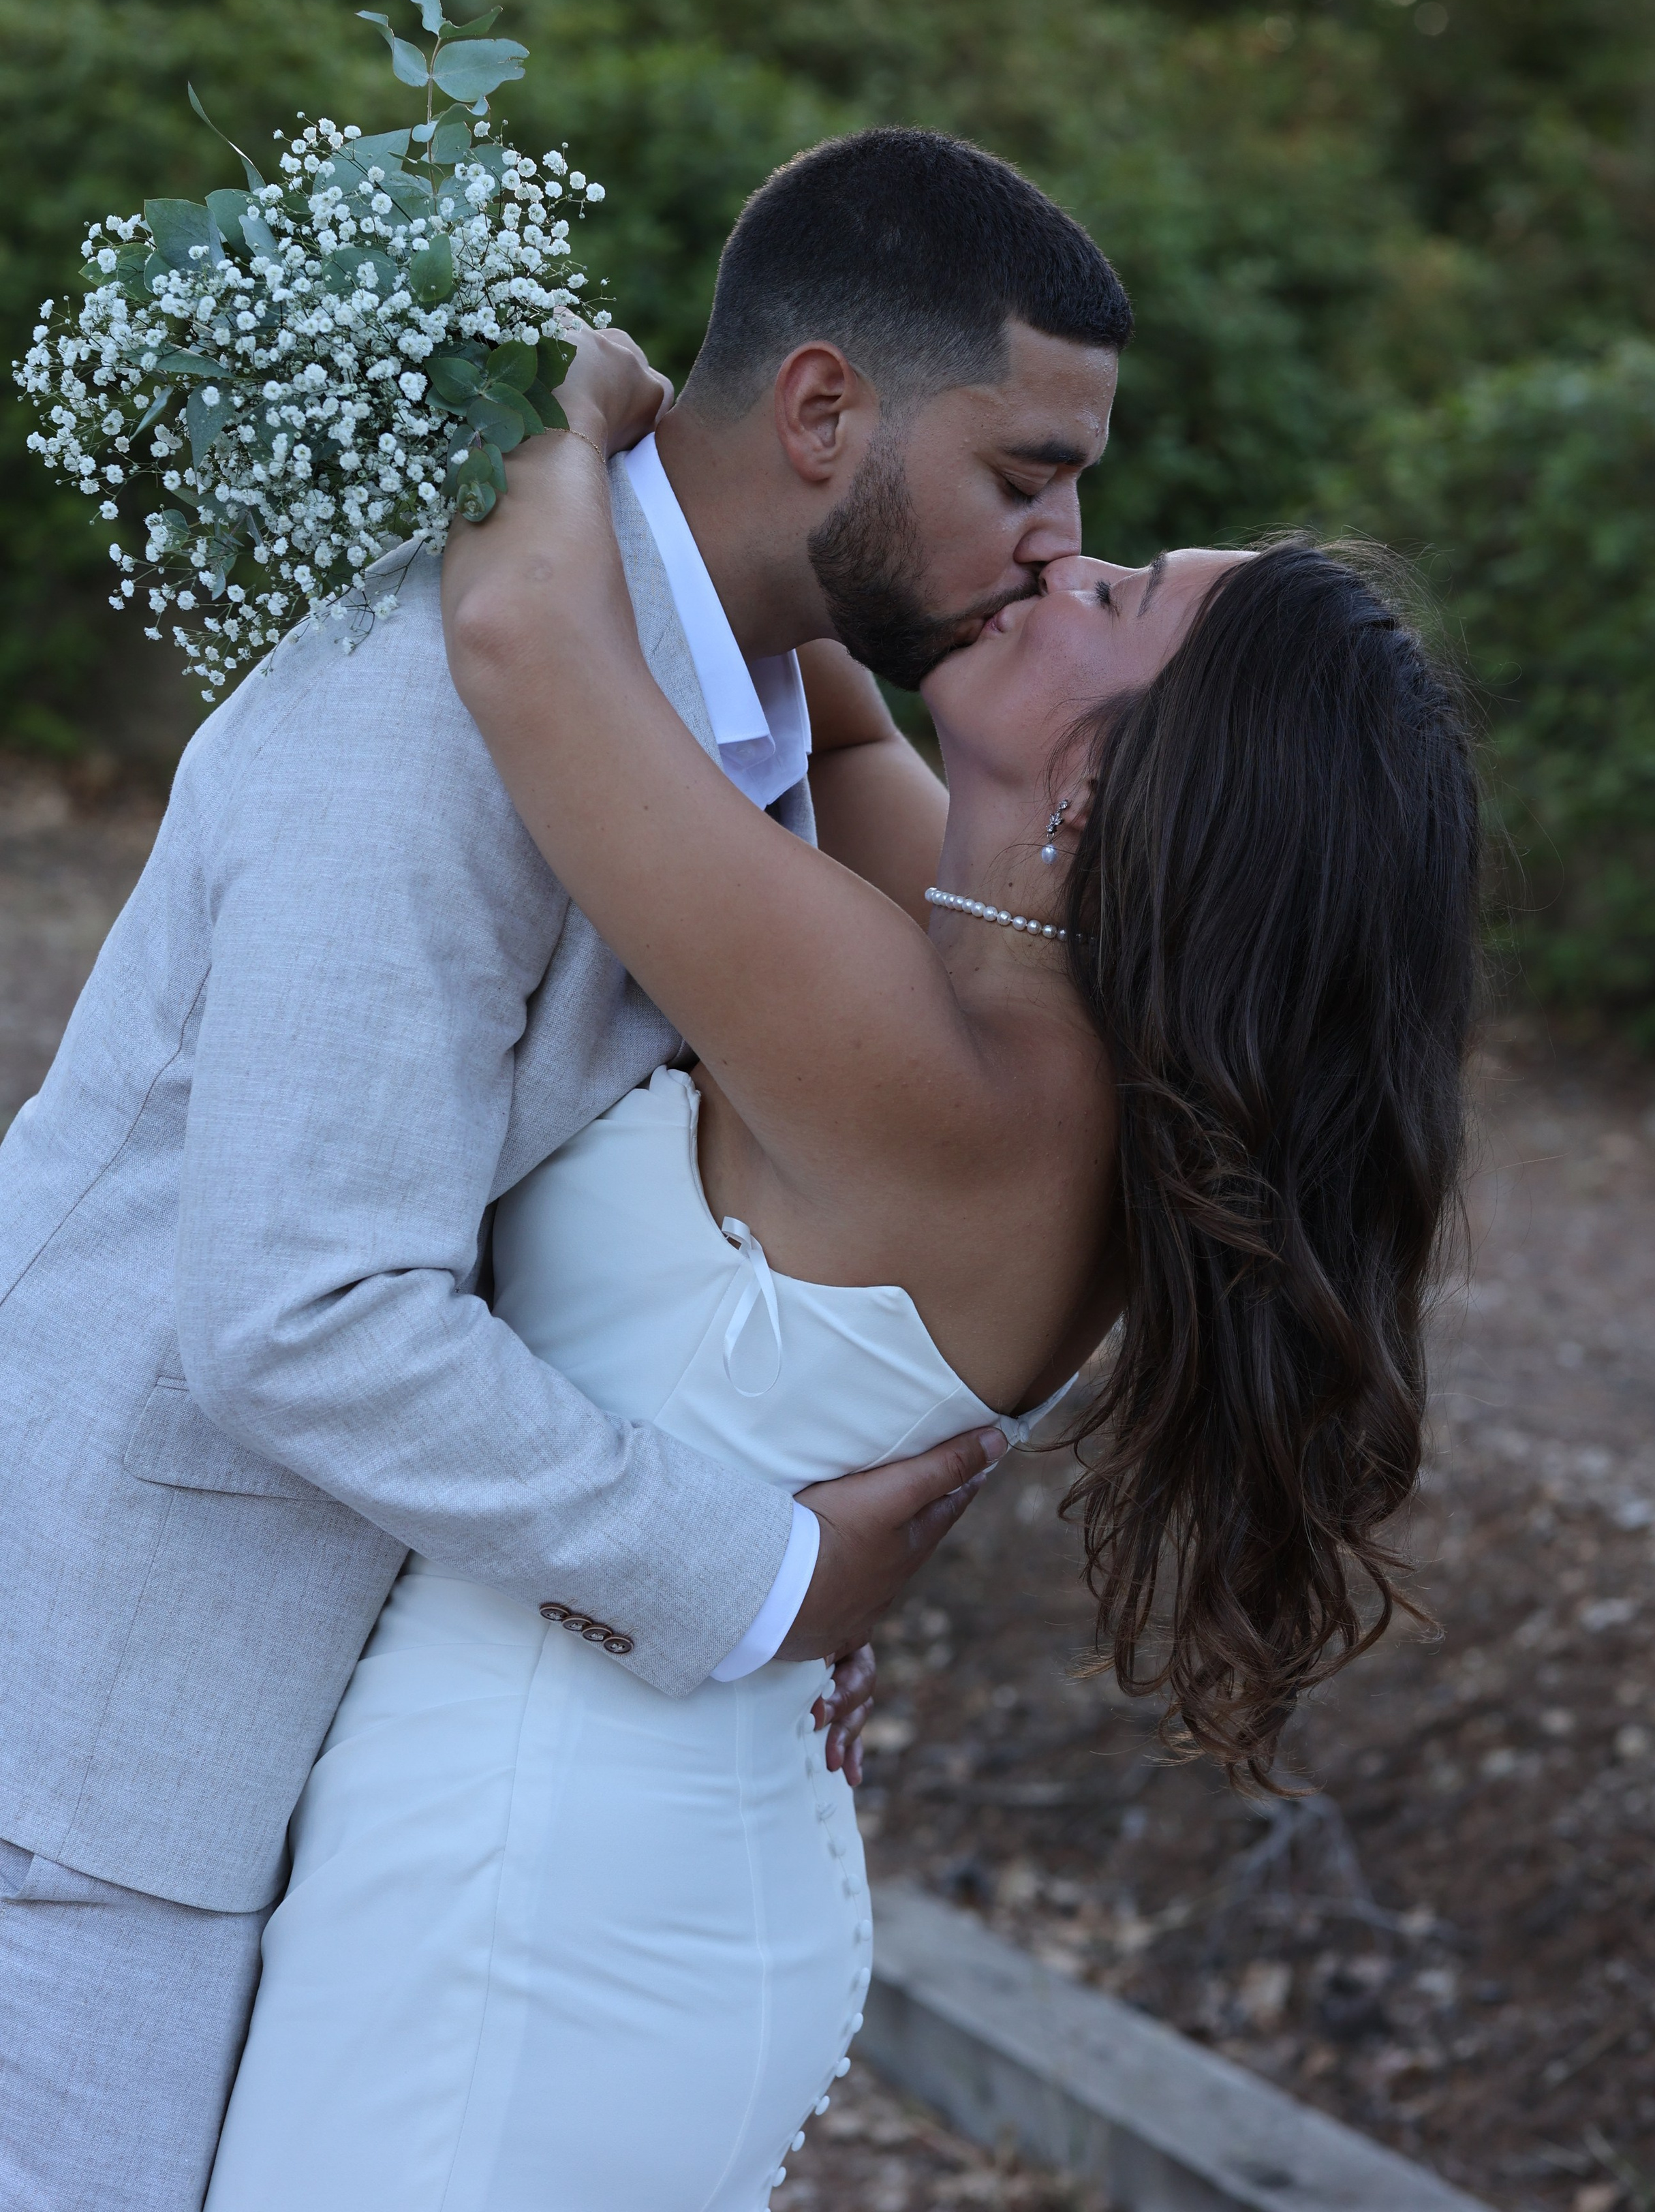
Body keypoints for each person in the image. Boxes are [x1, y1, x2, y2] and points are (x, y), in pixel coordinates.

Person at [202, 298, 1481, 2207]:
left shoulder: (960, 1080)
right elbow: (836, 691)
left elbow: (526, 646)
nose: (1060, 550)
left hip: (533, 1901)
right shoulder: (990, 976)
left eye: (1115, 594)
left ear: (1108, 785)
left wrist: (562, 392)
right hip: (628, 1849)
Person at [0, 129, 1136, 2212]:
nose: (1063, 545)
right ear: (822, 411)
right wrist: (760, 1573)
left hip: (300, 1767)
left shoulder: (727, 733)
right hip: (83, 1747)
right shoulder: (440, 708)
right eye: (1027, 474)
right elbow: (300, 1313)